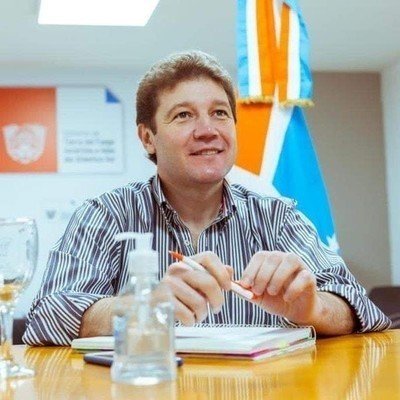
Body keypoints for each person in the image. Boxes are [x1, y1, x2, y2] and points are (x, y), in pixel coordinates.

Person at [23, 51, 390, 346]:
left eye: (220, 113)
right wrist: (142, 307)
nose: (207, 130)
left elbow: (362, 309)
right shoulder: (105, 215)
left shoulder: (277, 216)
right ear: (148, 138)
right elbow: (45, 318)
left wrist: (312, 308)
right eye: (184, 115)